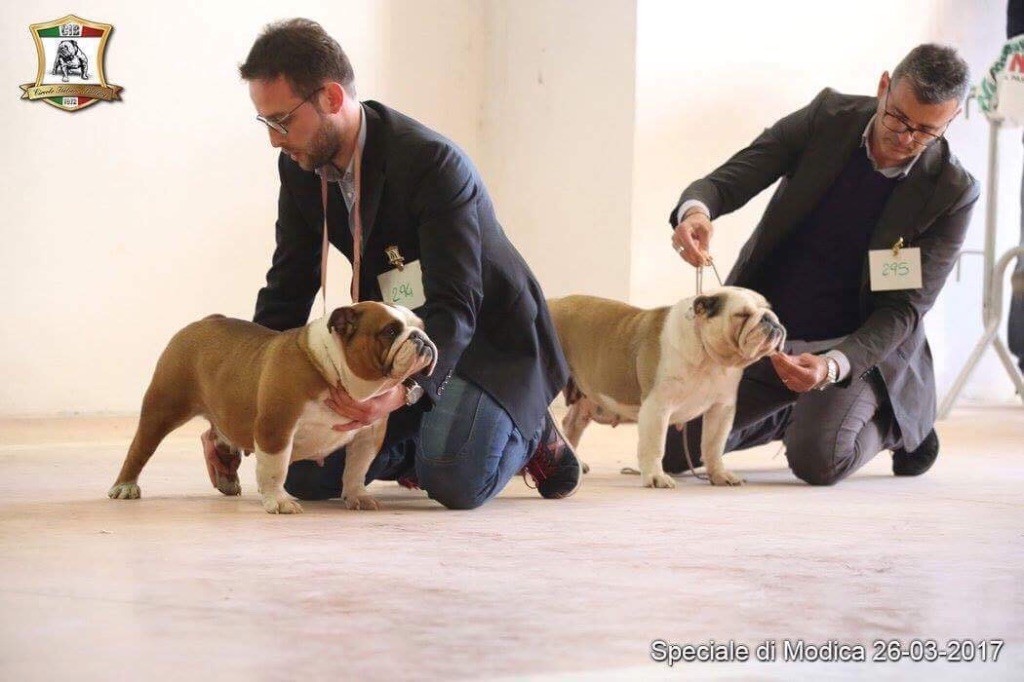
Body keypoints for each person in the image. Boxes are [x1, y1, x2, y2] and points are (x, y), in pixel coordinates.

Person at [228, 18, 580, 509]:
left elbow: (457, 303)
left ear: (331, 97)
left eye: (282, 120)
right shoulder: (301, 165)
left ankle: (525, 429)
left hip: (489, 340)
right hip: (398, 343)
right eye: (266, 123)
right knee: (305, 471)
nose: (275, 139)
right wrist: (246, 398)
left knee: (455, 476)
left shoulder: (431, 162)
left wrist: (403, 393)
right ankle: (436, 437)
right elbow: (288, 284)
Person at [665, 44, 979, 485]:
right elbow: (730, 179)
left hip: (855, 351)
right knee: (672, 451)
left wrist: (831, 366)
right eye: (898, 118)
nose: (906, 139)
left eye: (927, 131)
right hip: (769, 335)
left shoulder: (952, 190)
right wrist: (696, 212)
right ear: (884, 86)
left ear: (953, 118)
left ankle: (898, 425)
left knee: (817, 459)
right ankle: (797, 414)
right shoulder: (827, 118)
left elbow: (903, 309)